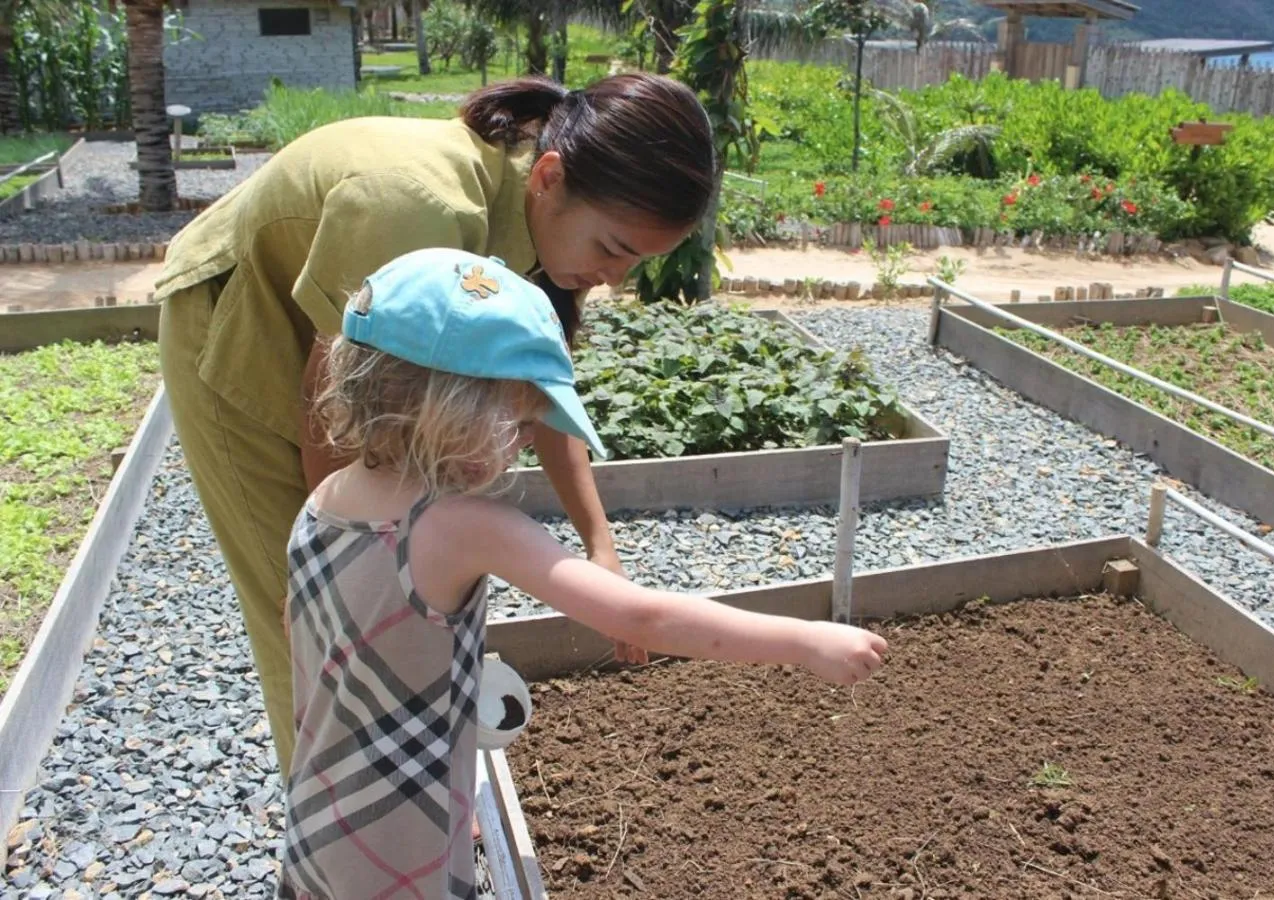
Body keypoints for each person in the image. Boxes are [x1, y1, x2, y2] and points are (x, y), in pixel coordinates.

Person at [277, 248, 888, 900]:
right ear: (453, 409)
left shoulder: (322, 502)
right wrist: (804, 642)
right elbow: (639, 616)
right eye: (516, 419)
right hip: (402, 845)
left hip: (321, 819)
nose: (520, 442)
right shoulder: (464, 524)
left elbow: (311, 637)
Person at [153, 72, 717, 774]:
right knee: (304, 604)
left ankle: (405, 788)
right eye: (612, 249)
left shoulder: (538, 230)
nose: (612, 278)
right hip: (238, 318)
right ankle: (335, 824)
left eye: (635, 262)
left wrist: (600, 544)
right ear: (549, 175)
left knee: (392, 592)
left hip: (340, 361)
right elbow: (331, 409)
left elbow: (540, 393)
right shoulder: (416, 209)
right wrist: (358, 561)